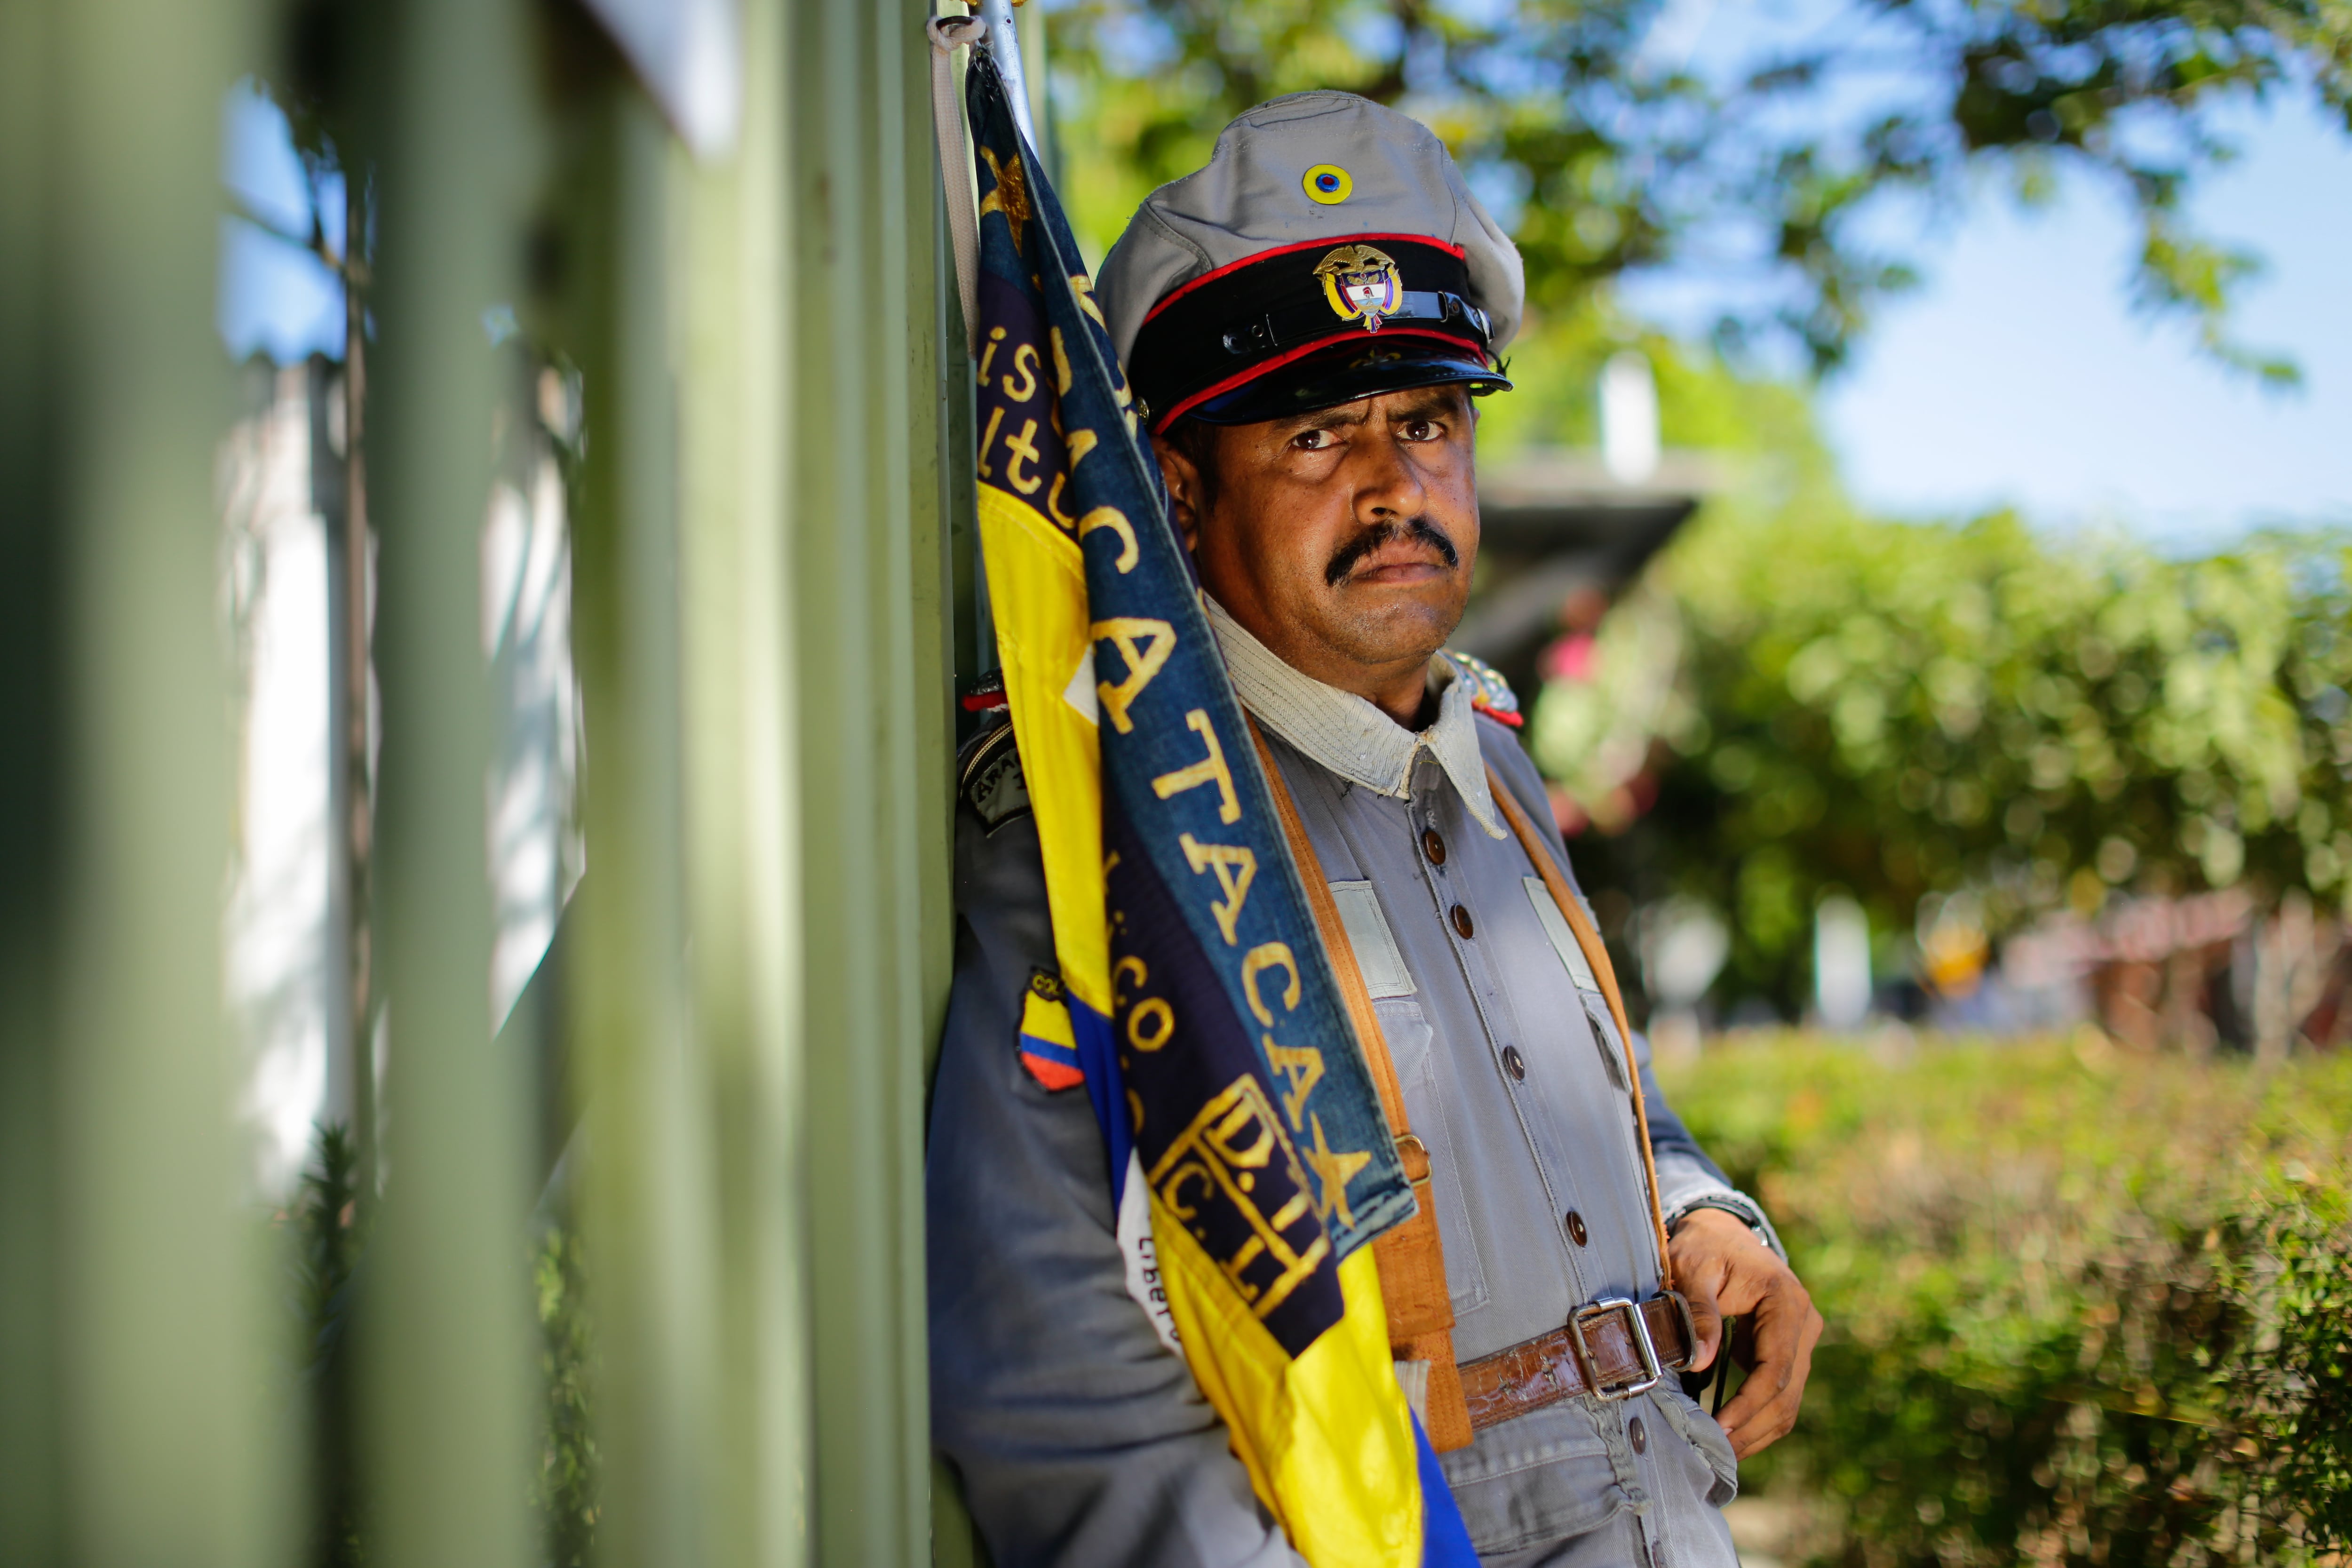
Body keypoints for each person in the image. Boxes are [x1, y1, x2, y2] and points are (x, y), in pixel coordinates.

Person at [929, 90, 1821, 1568]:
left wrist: (1711, 1216)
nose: (1395, 483)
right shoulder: (1121, 823)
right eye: (1317, 433)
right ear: (1178, 488)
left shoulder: (1492, 766)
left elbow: (1603, 1110)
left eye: (1426, 420)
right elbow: (1043, 1357)